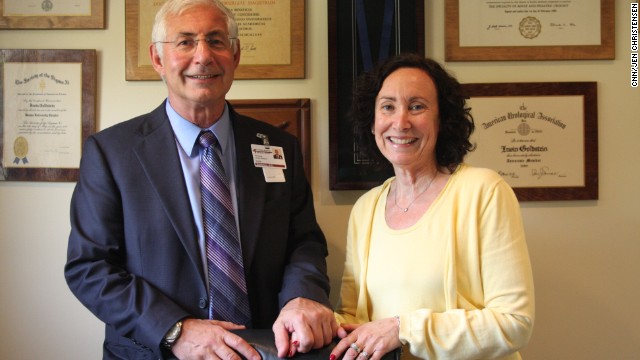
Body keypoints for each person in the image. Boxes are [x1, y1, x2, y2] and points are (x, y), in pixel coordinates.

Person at [64, 0, 337, 359]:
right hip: (154, 351)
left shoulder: (279, 146)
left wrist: (303, 297)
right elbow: (90, 267)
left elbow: (305, 243)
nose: (203, 55)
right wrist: (174, 329)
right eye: (185, 41)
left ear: (235, 55)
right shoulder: (111, 153)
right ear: (158, 59)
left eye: (216, 41)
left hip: (267, 349)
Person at [329, 53, 535, 360]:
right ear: (372, 124)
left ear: (442, 120)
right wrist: (312, 317)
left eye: (416, 106)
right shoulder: (365, 208)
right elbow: (352, 317)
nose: (401, 122)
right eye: (388, 107)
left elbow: (514, 323)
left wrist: (403, 329)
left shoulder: (484, 191)